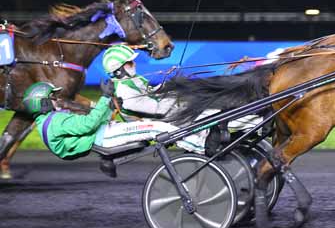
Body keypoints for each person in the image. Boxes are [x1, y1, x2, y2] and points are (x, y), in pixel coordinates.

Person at [23, 80, 205, 162]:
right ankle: (201, 148)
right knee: (155, 127)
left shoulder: (50, 122)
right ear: (43, 102)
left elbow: (92, 121)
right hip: (106, 137)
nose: (57, 99)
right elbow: (89, 124)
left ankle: (195, 139)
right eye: (53, 97)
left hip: (106, 133)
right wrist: (105, 96)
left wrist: (110, 103)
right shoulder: (56, 122)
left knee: (153, 124)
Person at [101, 44, 260, 129]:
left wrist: (168, 84)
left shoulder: (133, 80)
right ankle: (252, 123)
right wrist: (176, 99)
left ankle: (249, 117)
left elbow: (150, 93)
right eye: (129, 62)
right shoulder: (123, 91)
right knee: (209, 109)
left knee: (206, 96)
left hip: (170, 110)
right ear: (119, 69)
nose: (133, 64)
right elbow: (154, 108)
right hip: (167, 118)